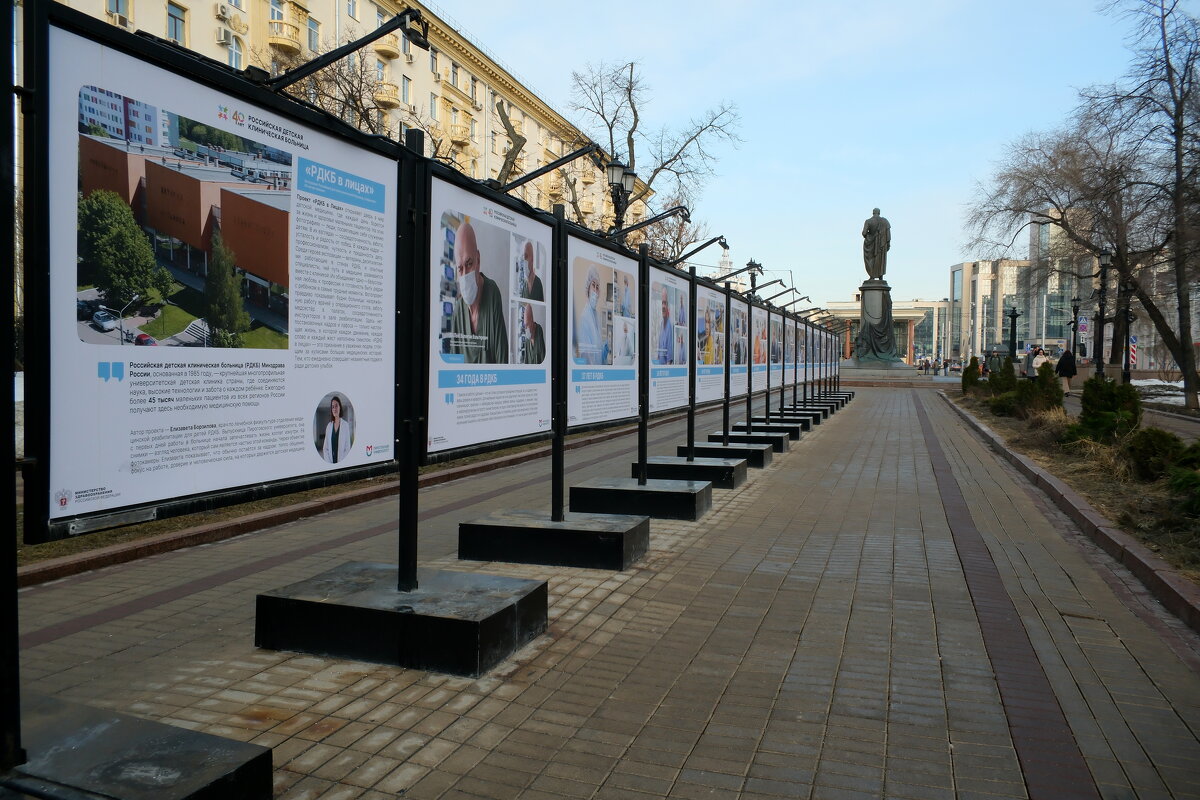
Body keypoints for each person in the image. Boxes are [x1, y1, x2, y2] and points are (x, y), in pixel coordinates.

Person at [449, 221, 508, 363]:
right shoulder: (458, 310)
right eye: (460, 268)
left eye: (469, 264)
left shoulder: (492, 292)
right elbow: (452, 365)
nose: (464, 274)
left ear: (478, 260)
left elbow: (502, 359)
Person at [574, 264, 609, 364]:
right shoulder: (584, 317)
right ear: (587, 289)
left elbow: (599, 353)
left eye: (597, 287)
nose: (595, 290)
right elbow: (586, 356)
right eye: (593, 285)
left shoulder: (596, 316)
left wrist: (606, 347)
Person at [861, 208, 891, 280]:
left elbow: (864, 233)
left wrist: (869, 235)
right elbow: (888, 234)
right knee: (880, 259)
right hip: (882, 244)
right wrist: (888, 243)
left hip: (871, 244)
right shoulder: (885, 221)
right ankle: (881, 276)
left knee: (871, 259)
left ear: (873, 213)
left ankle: (872, 276)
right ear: (879, 213)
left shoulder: (868, 221)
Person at [321, 395, 352, 463]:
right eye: (333, 407)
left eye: (336, 406)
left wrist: (341, 463)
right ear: (331, 410)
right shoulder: (329, 426)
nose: (334, 409)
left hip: (342, 463)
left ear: (340, 407)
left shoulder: (345, 425)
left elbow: (347, 448)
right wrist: (329, 463)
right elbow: (325, 448)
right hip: (331, 462)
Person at [655, 288, 673, 364]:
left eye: (665, 303)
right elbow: (659, 346)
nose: (663, 306)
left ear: (668, 306)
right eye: (662, 303)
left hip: (666, 367)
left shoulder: (670, 326)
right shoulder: (661, 324)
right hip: (660, 365)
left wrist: (668, 365)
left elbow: (669, 348)